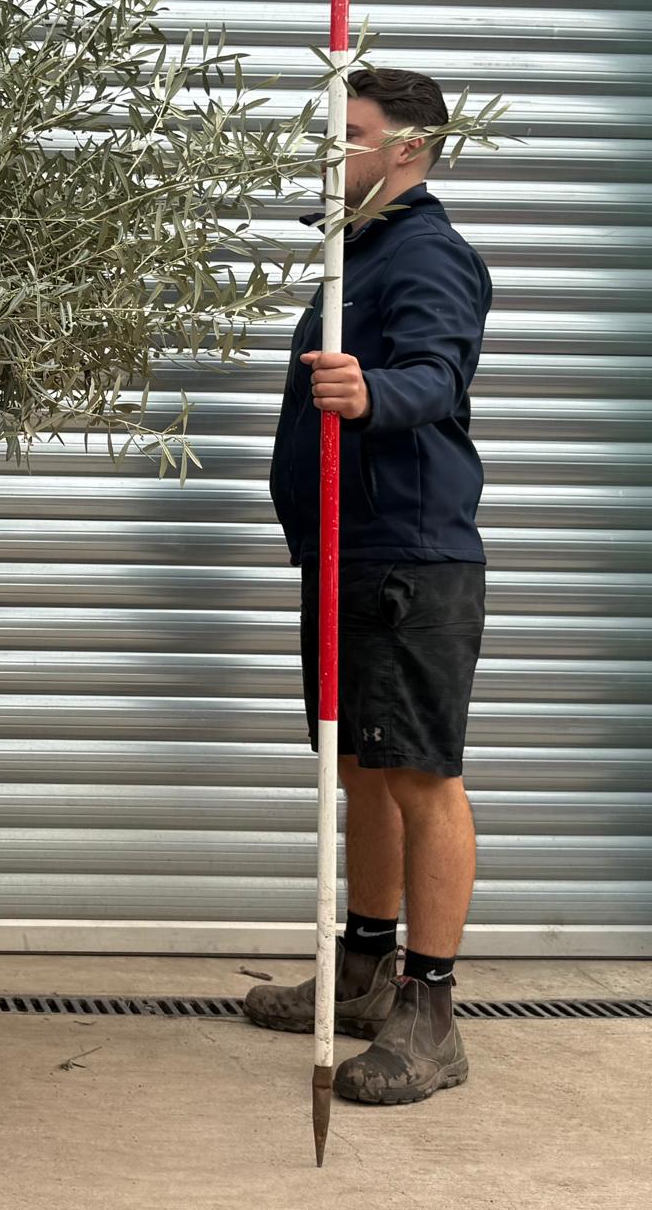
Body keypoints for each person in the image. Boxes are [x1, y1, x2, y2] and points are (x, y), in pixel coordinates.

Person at [245, 66, 493, 1104]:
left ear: (406, 148)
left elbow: (439, 372)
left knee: (421, 776)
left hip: (407, 559)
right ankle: (362, 968)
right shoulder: (359, 252)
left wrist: (372, 391)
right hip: (346, 556)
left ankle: (429, 1015)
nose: (328, 151)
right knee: (358, 767)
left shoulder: (428, 254)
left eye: (346, 133)